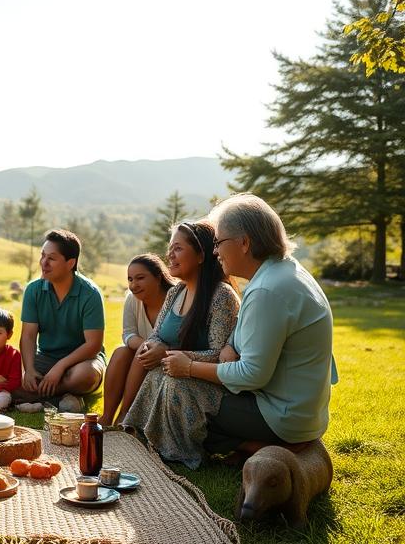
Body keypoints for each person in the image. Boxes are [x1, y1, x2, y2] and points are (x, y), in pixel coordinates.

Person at [161, 194, 337, 460]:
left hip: (283, 416)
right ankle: (254, 445)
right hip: (300, 411)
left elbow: (252, 375)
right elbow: (253, 330)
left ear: (244, 242)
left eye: (219, 242)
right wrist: (231, 344)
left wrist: (189, 367)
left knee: (180, 389)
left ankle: (260, 447)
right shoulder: (283, 272)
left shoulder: (268, 289)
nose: (215, 251)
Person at [122, 220, 240, 468]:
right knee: (155, 373)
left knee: (172, 381)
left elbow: (221, 356)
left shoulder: (222, 296)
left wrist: (170, 353)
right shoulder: (176, 292)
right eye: (169, 249)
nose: (170, 255)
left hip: (211, 382)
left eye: (177, 248)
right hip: (175, 371)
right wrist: (152, 346)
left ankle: (180, 452)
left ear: (200, 255)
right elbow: (156, 335)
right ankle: (143, 437)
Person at [17, 229, 106, 412]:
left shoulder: (90, 293)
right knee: (13, 376)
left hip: (82, 361)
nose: (44, 263)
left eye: (52, 258)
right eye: (43, 256)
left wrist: (60, 367)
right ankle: (65, 397)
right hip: (46, 357)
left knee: (86, 376)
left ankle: (41, 395)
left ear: (70, 263)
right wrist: (30, 370)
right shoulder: (33, 290)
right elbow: (28, 336)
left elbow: (93, 345)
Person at [99, 254, 175, 425]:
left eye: (140, 278)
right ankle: (107, 416)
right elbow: (128, 334)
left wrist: (153, 349)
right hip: (142, 356)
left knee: (142, 350)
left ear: (158, 277)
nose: (133, 285)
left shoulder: (175, 298)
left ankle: (126, 414)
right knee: (121, 352)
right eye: (130, 279)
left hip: (168, 356)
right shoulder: (132, 299)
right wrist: (146, 345)